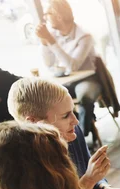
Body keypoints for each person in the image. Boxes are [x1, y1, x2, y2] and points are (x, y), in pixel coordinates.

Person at [7, 78, 120, 189]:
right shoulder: (24, 166)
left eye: (73, 112)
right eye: (65, 116)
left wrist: (104, 187)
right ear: (33, 123)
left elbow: (87, 170)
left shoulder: (72, 132)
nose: (76, 121)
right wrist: (89, 180)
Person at [36, 0, 101, 137]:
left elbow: (73, 65)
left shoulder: (84, 36)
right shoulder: (53, 34)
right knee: (49, 99)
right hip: (66, 81)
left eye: (47, 13)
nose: (45, 17)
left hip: (87, 79)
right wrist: (44, 43)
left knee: (85, 95)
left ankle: (80, 136)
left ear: (58, 15)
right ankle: (59, 136)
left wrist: (52, 41)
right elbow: (49, 63)